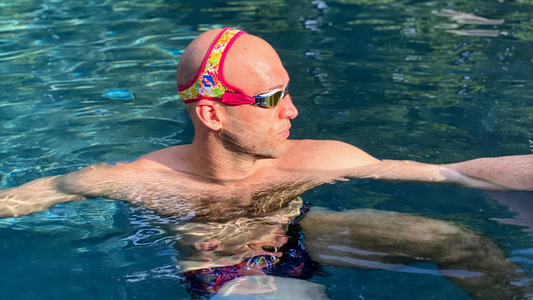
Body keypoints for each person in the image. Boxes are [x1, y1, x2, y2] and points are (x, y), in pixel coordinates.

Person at [1, 28, 533, 299]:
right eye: (270, 99)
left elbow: (456, 172)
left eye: (288, 92)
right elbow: (15, 203)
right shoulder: (135, 180)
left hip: (302, 232)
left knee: (459, 241)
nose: (293, 111)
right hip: (224, 267)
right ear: (211, 112)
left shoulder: (320, 160)